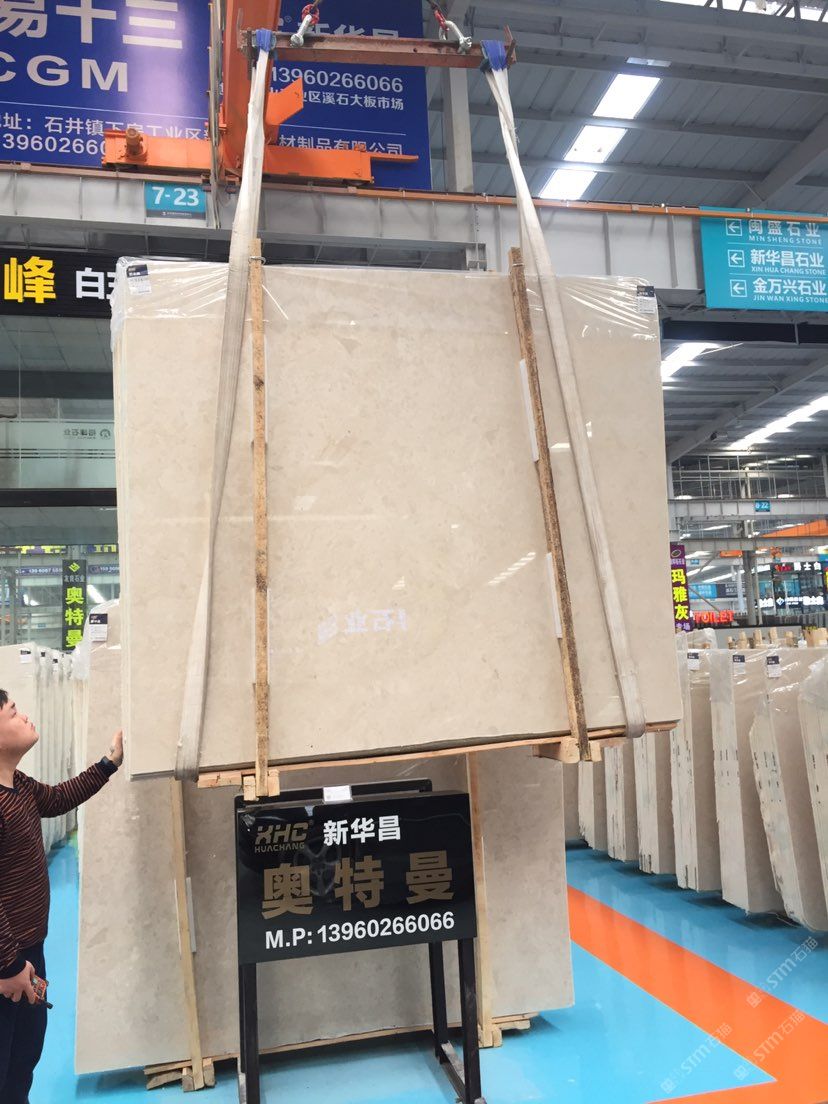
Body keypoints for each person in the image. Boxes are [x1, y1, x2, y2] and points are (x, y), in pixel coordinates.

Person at [0, 687, 123, 1103]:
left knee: (24, 1058)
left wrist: (108, 764)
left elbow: (58, 798)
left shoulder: (18, 784)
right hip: (7, 962)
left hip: (28, 951)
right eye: (13, 713)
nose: (25, 717)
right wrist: (9, 965)